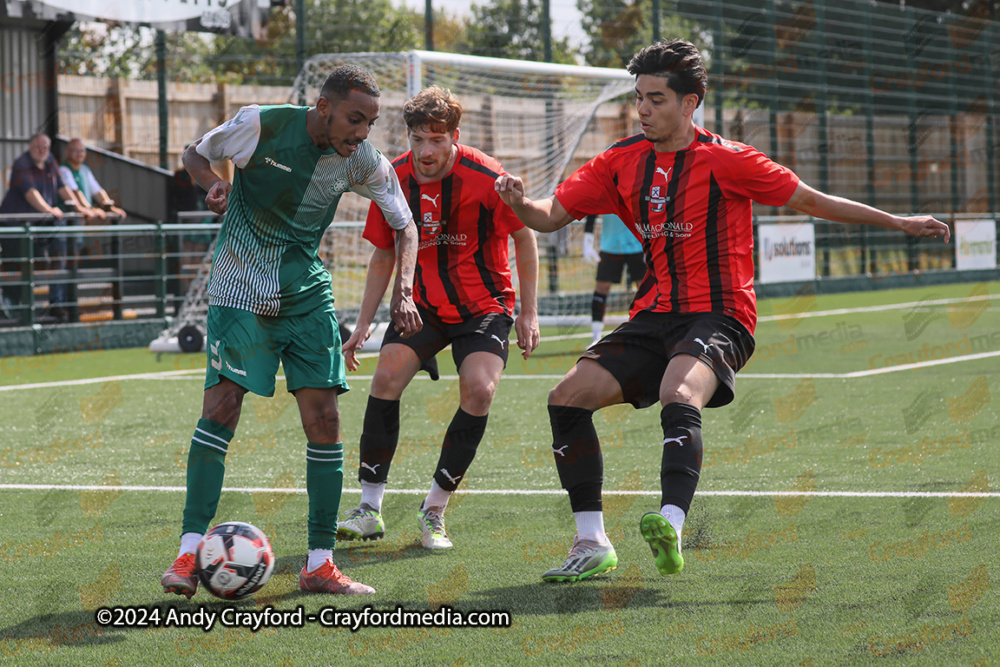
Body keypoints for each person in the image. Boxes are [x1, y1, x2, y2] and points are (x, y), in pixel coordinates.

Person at [495, 39, 950, 583]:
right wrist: (519, 202)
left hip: (721, 313)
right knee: (565, 398)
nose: (642, 109)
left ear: (689, 104)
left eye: (656, 99)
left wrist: (899, 222)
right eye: (639, 98)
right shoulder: (619, 163)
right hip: (655, 314)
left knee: (678, 392)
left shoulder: (728, 160)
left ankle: (670, 522)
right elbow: (549, 216)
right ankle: (591, 541)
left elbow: (811, 200)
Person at [160, 64, 422, 598]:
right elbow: (193, 153)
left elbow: (405, 225)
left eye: (370, 123)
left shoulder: (363, 161)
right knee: (223, 407)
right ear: (323, 107)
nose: (363, 133)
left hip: (306, 298)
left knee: (325, 418)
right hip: (239, 290)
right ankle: (188, 556)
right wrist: (213, 184)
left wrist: (407, 290)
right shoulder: (261, 125)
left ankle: (319, 565)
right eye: (355, 119)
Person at [338, 86, 540, 549]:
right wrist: (363, 324)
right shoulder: (392, 177)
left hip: (483, 305)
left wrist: (528, 312)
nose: (426, 151)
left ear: (455, 137)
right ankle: (369, 507)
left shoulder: (486, 176)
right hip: (421, 305)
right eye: (417, 139)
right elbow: (382, 256)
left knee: (480, 388)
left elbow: (525, 240)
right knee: (385, 378)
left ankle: (434, 510)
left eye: (436, 139)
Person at [0, 133, 77, 322]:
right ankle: (11, 305)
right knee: (14, 266)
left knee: (34, 264)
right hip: (13, 227)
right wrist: (49, 209)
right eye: (37, 147)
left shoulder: (51, 162)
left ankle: (28, 306)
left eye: (45, 147)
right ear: (30, 147)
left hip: (35, 228)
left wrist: (81, 208)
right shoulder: (22, 163)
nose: (41, 151)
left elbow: (62, 187)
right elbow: (30, 193)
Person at [582, 212, 645, 345]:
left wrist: (651, 245)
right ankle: (596, 336)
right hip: (609, 247)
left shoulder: (637, 191)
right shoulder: (604, 192)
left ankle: (648, 330)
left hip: (638, 247)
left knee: (645, 290)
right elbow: (591, 215)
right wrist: (587, 245)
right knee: (601, 289)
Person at [60, 138, 126, 257]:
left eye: (81, 151)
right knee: (65, 255)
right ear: (67, 152)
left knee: (76, 253)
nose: (79, 154)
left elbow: (97, 191)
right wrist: (91, 210)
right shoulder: (63, 170)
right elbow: (75, 192)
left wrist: (110, 208)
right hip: (66, 224)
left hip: (80, 224)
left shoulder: (85, 170)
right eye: (75, 151)